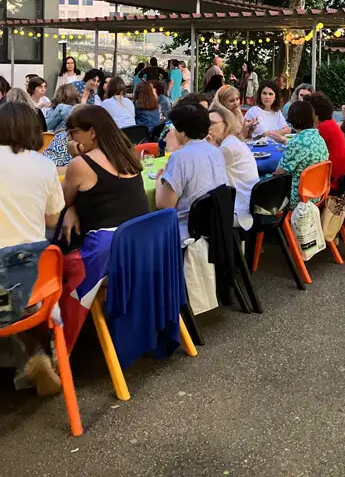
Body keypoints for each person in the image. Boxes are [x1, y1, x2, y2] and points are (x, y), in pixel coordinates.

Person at [0, 102, 64, 395]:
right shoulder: (45, 165)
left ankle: (29, 357)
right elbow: (52, 219)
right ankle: (37, 354)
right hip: (36, 281)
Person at [61, 105, 149, 243]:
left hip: (106, 245)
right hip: (140, 239)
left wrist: (75, 157)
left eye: (74, 132)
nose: (71, 139)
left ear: (92, 132)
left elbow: (62, 202)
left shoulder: (81, 164)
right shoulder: (129, 153)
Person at [155, 103, 228, 222]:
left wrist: (159, 181)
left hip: (188, 229)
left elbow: (164, 205)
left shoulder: (179, 158)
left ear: (182, 132)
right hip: (216, 224)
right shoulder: (216, 151)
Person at [208, 106, 259, 230]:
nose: (208, 128)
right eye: (206, 124)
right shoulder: (232, 141)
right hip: (250, 202)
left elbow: (206, 174)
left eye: (213, 123)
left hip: (240, 209)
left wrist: (208, 148)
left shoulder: (228, 147)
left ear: (226, 124)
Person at [276, 101, 329, 208]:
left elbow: (279, 173)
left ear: (292, 119)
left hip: (298, 198)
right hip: (318, 194)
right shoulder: (319, 138)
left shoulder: (297, 142)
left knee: (262, 180)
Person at [306, 92, 345, 192]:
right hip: (343, 176)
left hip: (334, 181)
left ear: (314, 115)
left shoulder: (323, 129)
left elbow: (309, 154)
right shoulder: (330, 124)